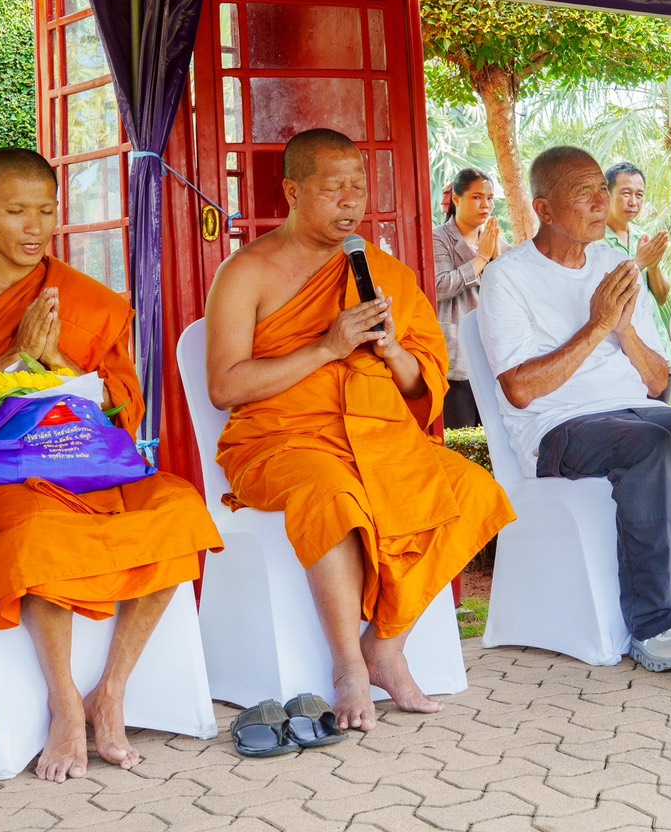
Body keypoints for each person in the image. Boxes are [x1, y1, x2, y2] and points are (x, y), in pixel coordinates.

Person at [0, 148, 222, 783]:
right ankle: (65, 702)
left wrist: (61, 371)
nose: (34, 227)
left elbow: (123, 409)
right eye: (16, 211)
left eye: (46, 211)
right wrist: (11, 365)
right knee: (41, 525)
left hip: (75, 459)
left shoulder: (80, 299)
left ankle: (111, 693)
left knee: (179, 508)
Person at [204, 129, 514, 732]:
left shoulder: (377, 270)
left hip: (375, 434)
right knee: (332, 495)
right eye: (332, 188)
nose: (350, 202)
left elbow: (418, 382)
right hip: (281, 441)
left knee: (472, 490)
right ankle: (347, 666)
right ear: (292, 191)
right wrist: (328, 347)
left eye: (358, 186)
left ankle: (386, 643)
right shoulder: (247, 273)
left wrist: (393, 349)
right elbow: (226, 387)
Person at [478, 146, 671, 673]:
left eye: (603, 189)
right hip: (559, 427)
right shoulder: (507, 278)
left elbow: (660, 383)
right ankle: (652, 623)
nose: (602, 202)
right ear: (545, 209)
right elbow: (521, 391)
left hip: (633, 411)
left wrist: (623, 330)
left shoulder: (615, 267)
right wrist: (597, 325)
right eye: (585, 193)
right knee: (648, 446)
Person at [433, 167, 508, 429]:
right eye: (477, 197)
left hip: (492, 354)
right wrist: (480, 259)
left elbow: (512, 287)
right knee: (459, 433)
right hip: (455, 355)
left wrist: (496, 258)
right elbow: (440, 286)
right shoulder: (438, 238)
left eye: (489, 198)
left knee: (493, 436)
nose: (485, 205)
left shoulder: (493, 236)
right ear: (456, 199)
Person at [602, 162, 671, 388]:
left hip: (658, 351)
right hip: (619, 356)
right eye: (626, 193)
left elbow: (661, 298)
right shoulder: (594, 241)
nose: (633, 201)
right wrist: (639, 262)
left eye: (639, 195)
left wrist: (653, 266)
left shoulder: (642, 237)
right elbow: (605, 298)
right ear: (607, 194)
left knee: (666, 419)